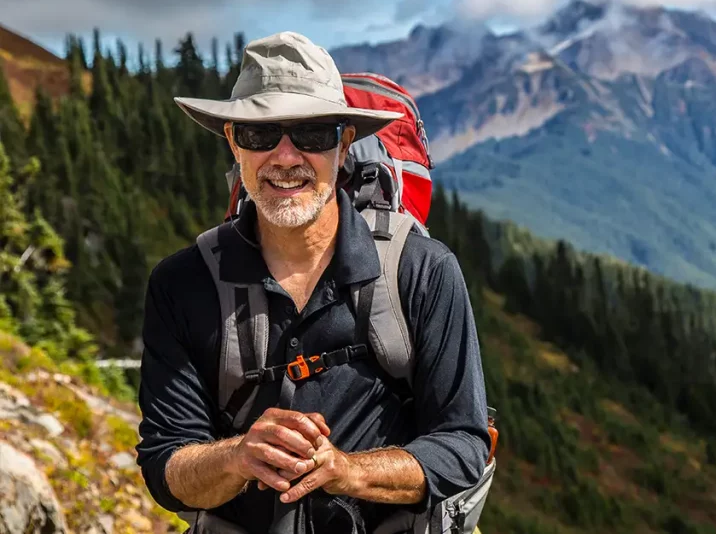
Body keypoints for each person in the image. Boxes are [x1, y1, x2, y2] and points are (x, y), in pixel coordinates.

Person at [135, 31, 491, 533]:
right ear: (234, 141)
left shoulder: (422, 271)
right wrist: (239, 457)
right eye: (262, 135)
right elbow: (165, 464)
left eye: (312, 134)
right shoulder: (181, 284)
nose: (285, 157)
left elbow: (463, 444)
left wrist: (348, 471)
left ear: (343, 144)